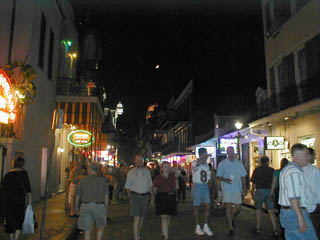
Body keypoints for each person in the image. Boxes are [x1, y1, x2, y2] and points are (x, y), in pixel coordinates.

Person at [279, 143, 317, 239]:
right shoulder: (294, 172)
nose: (308, 158)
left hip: (289, 212)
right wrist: (300, 218)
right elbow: (293, 197)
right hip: (294, 213)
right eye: (306, 155)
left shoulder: (287, 169)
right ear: (298, 156)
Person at [216, 146, 247, 236]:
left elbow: (243, 176)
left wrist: (244, 188)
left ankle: (232, 217)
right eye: (229, 152)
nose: (231, 153)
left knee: (238, 208)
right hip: (227, 189)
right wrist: (225, 180)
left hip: (237, 188)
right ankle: (231, 227)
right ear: (227, 153)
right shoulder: (222, 164)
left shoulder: (239, 163)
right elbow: (218, 176)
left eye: (232, 151)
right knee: (228, 207)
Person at [75, 163, 109, 240]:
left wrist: (76, 207)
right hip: (99, 206)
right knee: (100, 227)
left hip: (85, 206)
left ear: (90, 170)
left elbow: (77, 195)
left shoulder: (82, 180)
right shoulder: (103, 180)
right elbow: (106, 195)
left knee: (87, 229)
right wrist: (106, 207)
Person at [1, 157, 32, 240]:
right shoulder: (24, 173)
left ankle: (11, 237)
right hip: (20, 199)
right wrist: (30, 200)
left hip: (9, 200)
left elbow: (3, 188)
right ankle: (16, 237)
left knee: (10, 218)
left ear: (15, 163)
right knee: (19, 217)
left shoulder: (8, 174)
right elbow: (28, 187)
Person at [125, 154, 154, 240]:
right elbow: (127, 187)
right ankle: (136, 237)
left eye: (141, 160)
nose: (139, 162)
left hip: (145, 197)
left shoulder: (147, 172)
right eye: (137, 160)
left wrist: (152, 197)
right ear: (135, 161)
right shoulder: (131, 173)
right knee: (136, 217)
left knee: (142, 218)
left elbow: (150, 185)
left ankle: (137, 233)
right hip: (135, 196)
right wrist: (130, 198)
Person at [250, 156, 278, 236]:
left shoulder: (257, 170)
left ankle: (258, 228)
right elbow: (274, 182)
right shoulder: (272, 170)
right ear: (267, 162)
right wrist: (272, 192)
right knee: (271, 210)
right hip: (269, 190)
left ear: (261, 162)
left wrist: (252, 192)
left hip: (260, 190)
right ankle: (275, 229)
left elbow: (254, 183)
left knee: (258, 210)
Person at [191, 148, 213, 236]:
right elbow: (197, 164)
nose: (206, 155)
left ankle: (206, 225)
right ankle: (197, 226)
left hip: (205, 186)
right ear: (201, 154)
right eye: (205, 153)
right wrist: (204, 157)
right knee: (196, 207)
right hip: (197, 186)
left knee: (208, 206)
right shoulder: (194, 162)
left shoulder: (206, 165)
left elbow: (208, 176)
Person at [152, 162, 177, 240]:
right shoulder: (158, 177)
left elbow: (176, 187)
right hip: (161, 197)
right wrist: (153, 198)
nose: (166, 168)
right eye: (165, 167)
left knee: (169, 216)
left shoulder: (173, 176)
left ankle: (164, 231)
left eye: (168, 166)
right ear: (161, 168)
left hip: (171, 196)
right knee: (163, 217)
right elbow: (155, 189)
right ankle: (166, 237)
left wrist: (174, 172)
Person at [303, 147, 320, 238]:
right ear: (308, 156)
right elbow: (317, 191)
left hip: (301, 208)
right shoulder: (313, 170)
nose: (315, 157)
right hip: (312, 207)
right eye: (314, 155)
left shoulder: (295, 169)